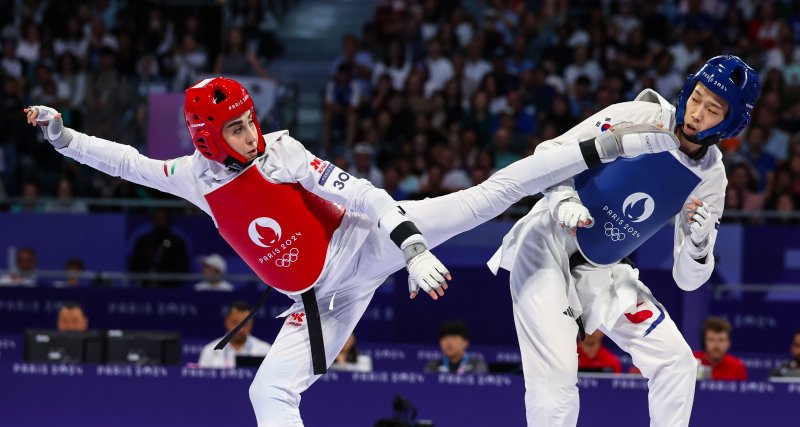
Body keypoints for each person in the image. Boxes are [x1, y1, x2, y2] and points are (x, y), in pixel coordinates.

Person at [26, 75, 676, 425]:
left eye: (250, 116)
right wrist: (63, 139)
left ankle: (606, 143)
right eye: (235, 126)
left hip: (369, 245)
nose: (250, 129)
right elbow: (130, 163)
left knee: (487, 195)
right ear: (206, 136)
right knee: (268, 394)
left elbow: (363, 193)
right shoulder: (194, 177)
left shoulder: (279, 151)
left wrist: (414, 247)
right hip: (317, 299)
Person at [488, 55, 761, 426]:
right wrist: (564, 198)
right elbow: (551, 153)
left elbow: (688, 280)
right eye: (696, 97)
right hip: (548, 243)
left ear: (730, 123)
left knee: (676, 362)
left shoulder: (710, 181)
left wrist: (698, 246)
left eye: (713, 109)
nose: (697, 112)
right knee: (556, 379)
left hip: (606, 269)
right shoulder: (638, 115)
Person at [198, 301, 271, 368]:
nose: (240, 329)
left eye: (245, 324)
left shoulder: (265, 350)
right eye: (235, 323)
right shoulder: (210, 350)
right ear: (226, 322)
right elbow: (202, 381)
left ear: (251, 324)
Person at [693, 317, 747, 381]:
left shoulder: (737, 367)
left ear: (728, 343)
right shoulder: (693, 361)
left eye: (721, 340)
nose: (716, 345)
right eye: (711, 340)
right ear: (704, 341)